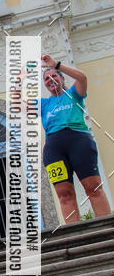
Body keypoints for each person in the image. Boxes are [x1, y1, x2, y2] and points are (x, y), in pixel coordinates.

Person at [41, 54, 110, 223]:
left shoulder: (74, 94)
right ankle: (73, 236)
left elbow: (82, 77)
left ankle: (107, 229)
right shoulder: (43, 104)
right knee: (64, 195)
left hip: (79, 142)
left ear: (61, 78)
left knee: (93, 188)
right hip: (54, 150)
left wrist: (56, 65)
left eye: (54, 76)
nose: (51, 80)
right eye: (46, 79)